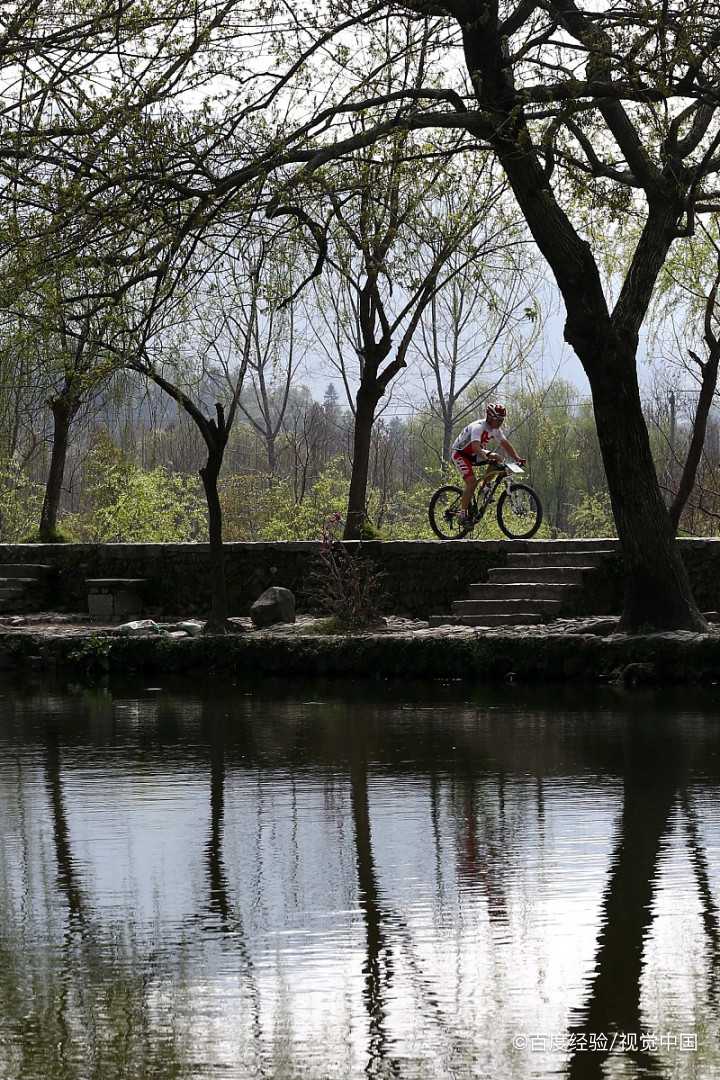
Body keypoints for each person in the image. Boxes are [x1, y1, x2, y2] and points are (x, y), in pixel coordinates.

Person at [451, 403, 525, 520]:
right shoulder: (478, 427)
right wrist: (486, 459)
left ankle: (484, 489)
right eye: (498, 419)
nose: (500, 422)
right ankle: (463, 514)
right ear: (489, 418)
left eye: (502, 420)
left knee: (498, 459)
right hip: (460, 454)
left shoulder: (496, 429)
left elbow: (505, 444)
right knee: (471, 483)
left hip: (474, 453)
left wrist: (517, 458)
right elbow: (475, 446)